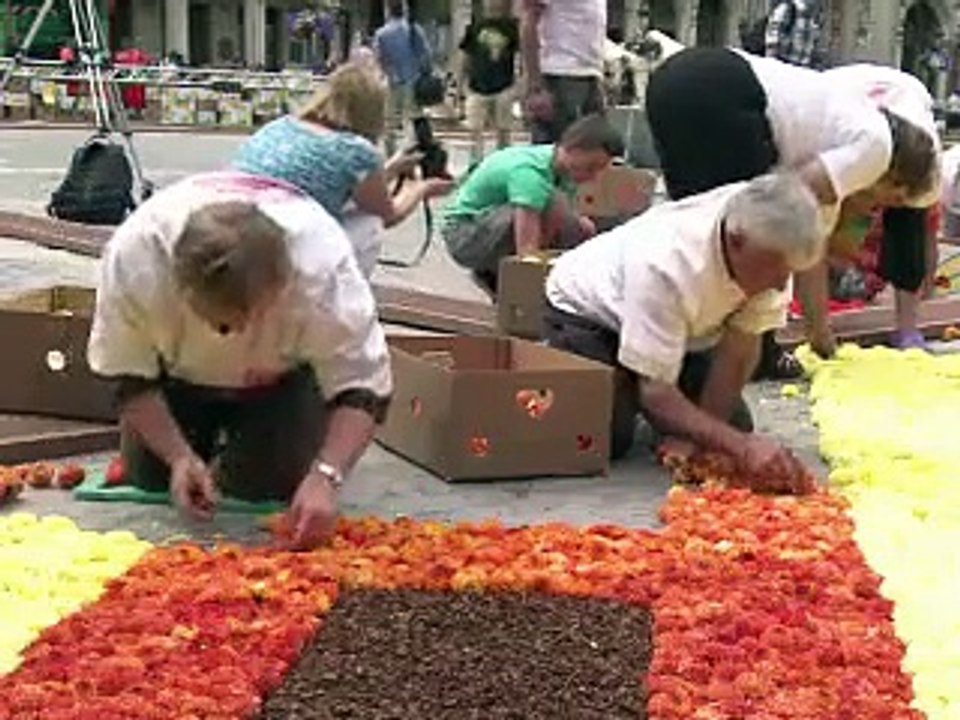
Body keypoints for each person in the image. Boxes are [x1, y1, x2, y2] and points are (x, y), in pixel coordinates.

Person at [87, 171, 393, 551]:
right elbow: (126, 374)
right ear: (178, 286)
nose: (231, 334)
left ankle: (276, 437)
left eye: (250, 316)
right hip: (174, 376)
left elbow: (363, 387)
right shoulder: (135, 262)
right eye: (215, 320)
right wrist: (178, 456)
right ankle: (189, 451)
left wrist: (327, 475)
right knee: (153, 478)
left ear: (284, 283)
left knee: (269, 486)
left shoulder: (322, 273)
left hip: (281, 379)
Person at [645, 47, 939, 375]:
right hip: (726, 91)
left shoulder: (842, 133)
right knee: (741, 232)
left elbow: (811, 250)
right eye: (890, 200)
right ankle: (744, 353)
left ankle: (675, 345)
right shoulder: (876, 149)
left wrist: (819, 335)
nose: (875, 209)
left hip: (675, 80)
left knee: (692, 220)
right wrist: (815, 336)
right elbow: (787, 206)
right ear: (894, 177)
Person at [544, 173, 826, 466]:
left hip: (681, 326)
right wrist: (739, 446)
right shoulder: (666, 262)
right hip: (589, 314)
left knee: (733, 425)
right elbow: (656, 392)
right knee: (603, 438)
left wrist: (704, 440)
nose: (780, 286)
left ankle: (642, 379)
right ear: (736, 242)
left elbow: (739, 352)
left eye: (788, 273)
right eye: (774, 270)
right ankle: (625, 380)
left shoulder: (767, 231)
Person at [231, 61, 452, 279]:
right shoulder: (355, 150)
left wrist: (392, 168)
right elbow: (388, 215)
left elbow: (329, 180)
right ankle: (342, 290)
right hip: (282, 245)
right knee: (369, 223)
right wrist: (421, 189)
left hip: (237, 228)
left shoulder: (282, 125)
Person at [440, 113, 622, 296]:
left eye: (599, 170)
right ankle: (499, 276)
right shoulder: (531, 173)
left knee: (580, 228)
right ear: (573, 149)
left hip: (494, 223)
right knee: (549, 203)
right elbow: (527, 248)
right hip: (463, 234)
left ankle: (510, 274)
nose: (594, 176)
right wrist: (532, 279)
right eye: (591, 167)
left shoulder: (560, 167)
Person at [520, 0, 606, 144]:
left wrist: (598, 76)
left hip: (591, 74)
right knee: (559, 147)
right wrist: (535, 86)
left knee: (594, 147)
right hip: (559, 74)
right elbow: (529, 23)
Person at [459, 0, 520, 165]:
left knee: (504, 129)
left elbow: (520, 56)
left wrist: (519, 84)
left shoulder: (511, 28)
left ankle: (503, 161)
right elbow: (465, 56)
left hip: (504, 85)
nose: (492, 4)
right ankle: (476, 163)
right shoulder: (474, 27)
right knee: (474, 129)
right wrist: (460, 83)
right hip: (476, 86)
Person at [374, 0, 432, 156]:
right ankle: (412, 154)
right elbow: (426, 56)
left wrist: (389, 73)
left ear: (387, 10)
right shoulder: (414, 29)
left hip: (393, 82)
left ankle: (391, 155)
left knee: (390, 123)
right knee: (413, 119)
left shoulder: (381, 34)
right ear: (404, 10)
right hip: (414, 81)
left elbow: (379, 60)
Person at [764, 0, 823, 69]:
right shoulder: (787, 6)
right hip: (783, 61)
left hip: (800, 63)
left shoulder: (814, 10)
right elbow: (775, 32)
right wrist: (773, 60)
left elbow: (814, 37)